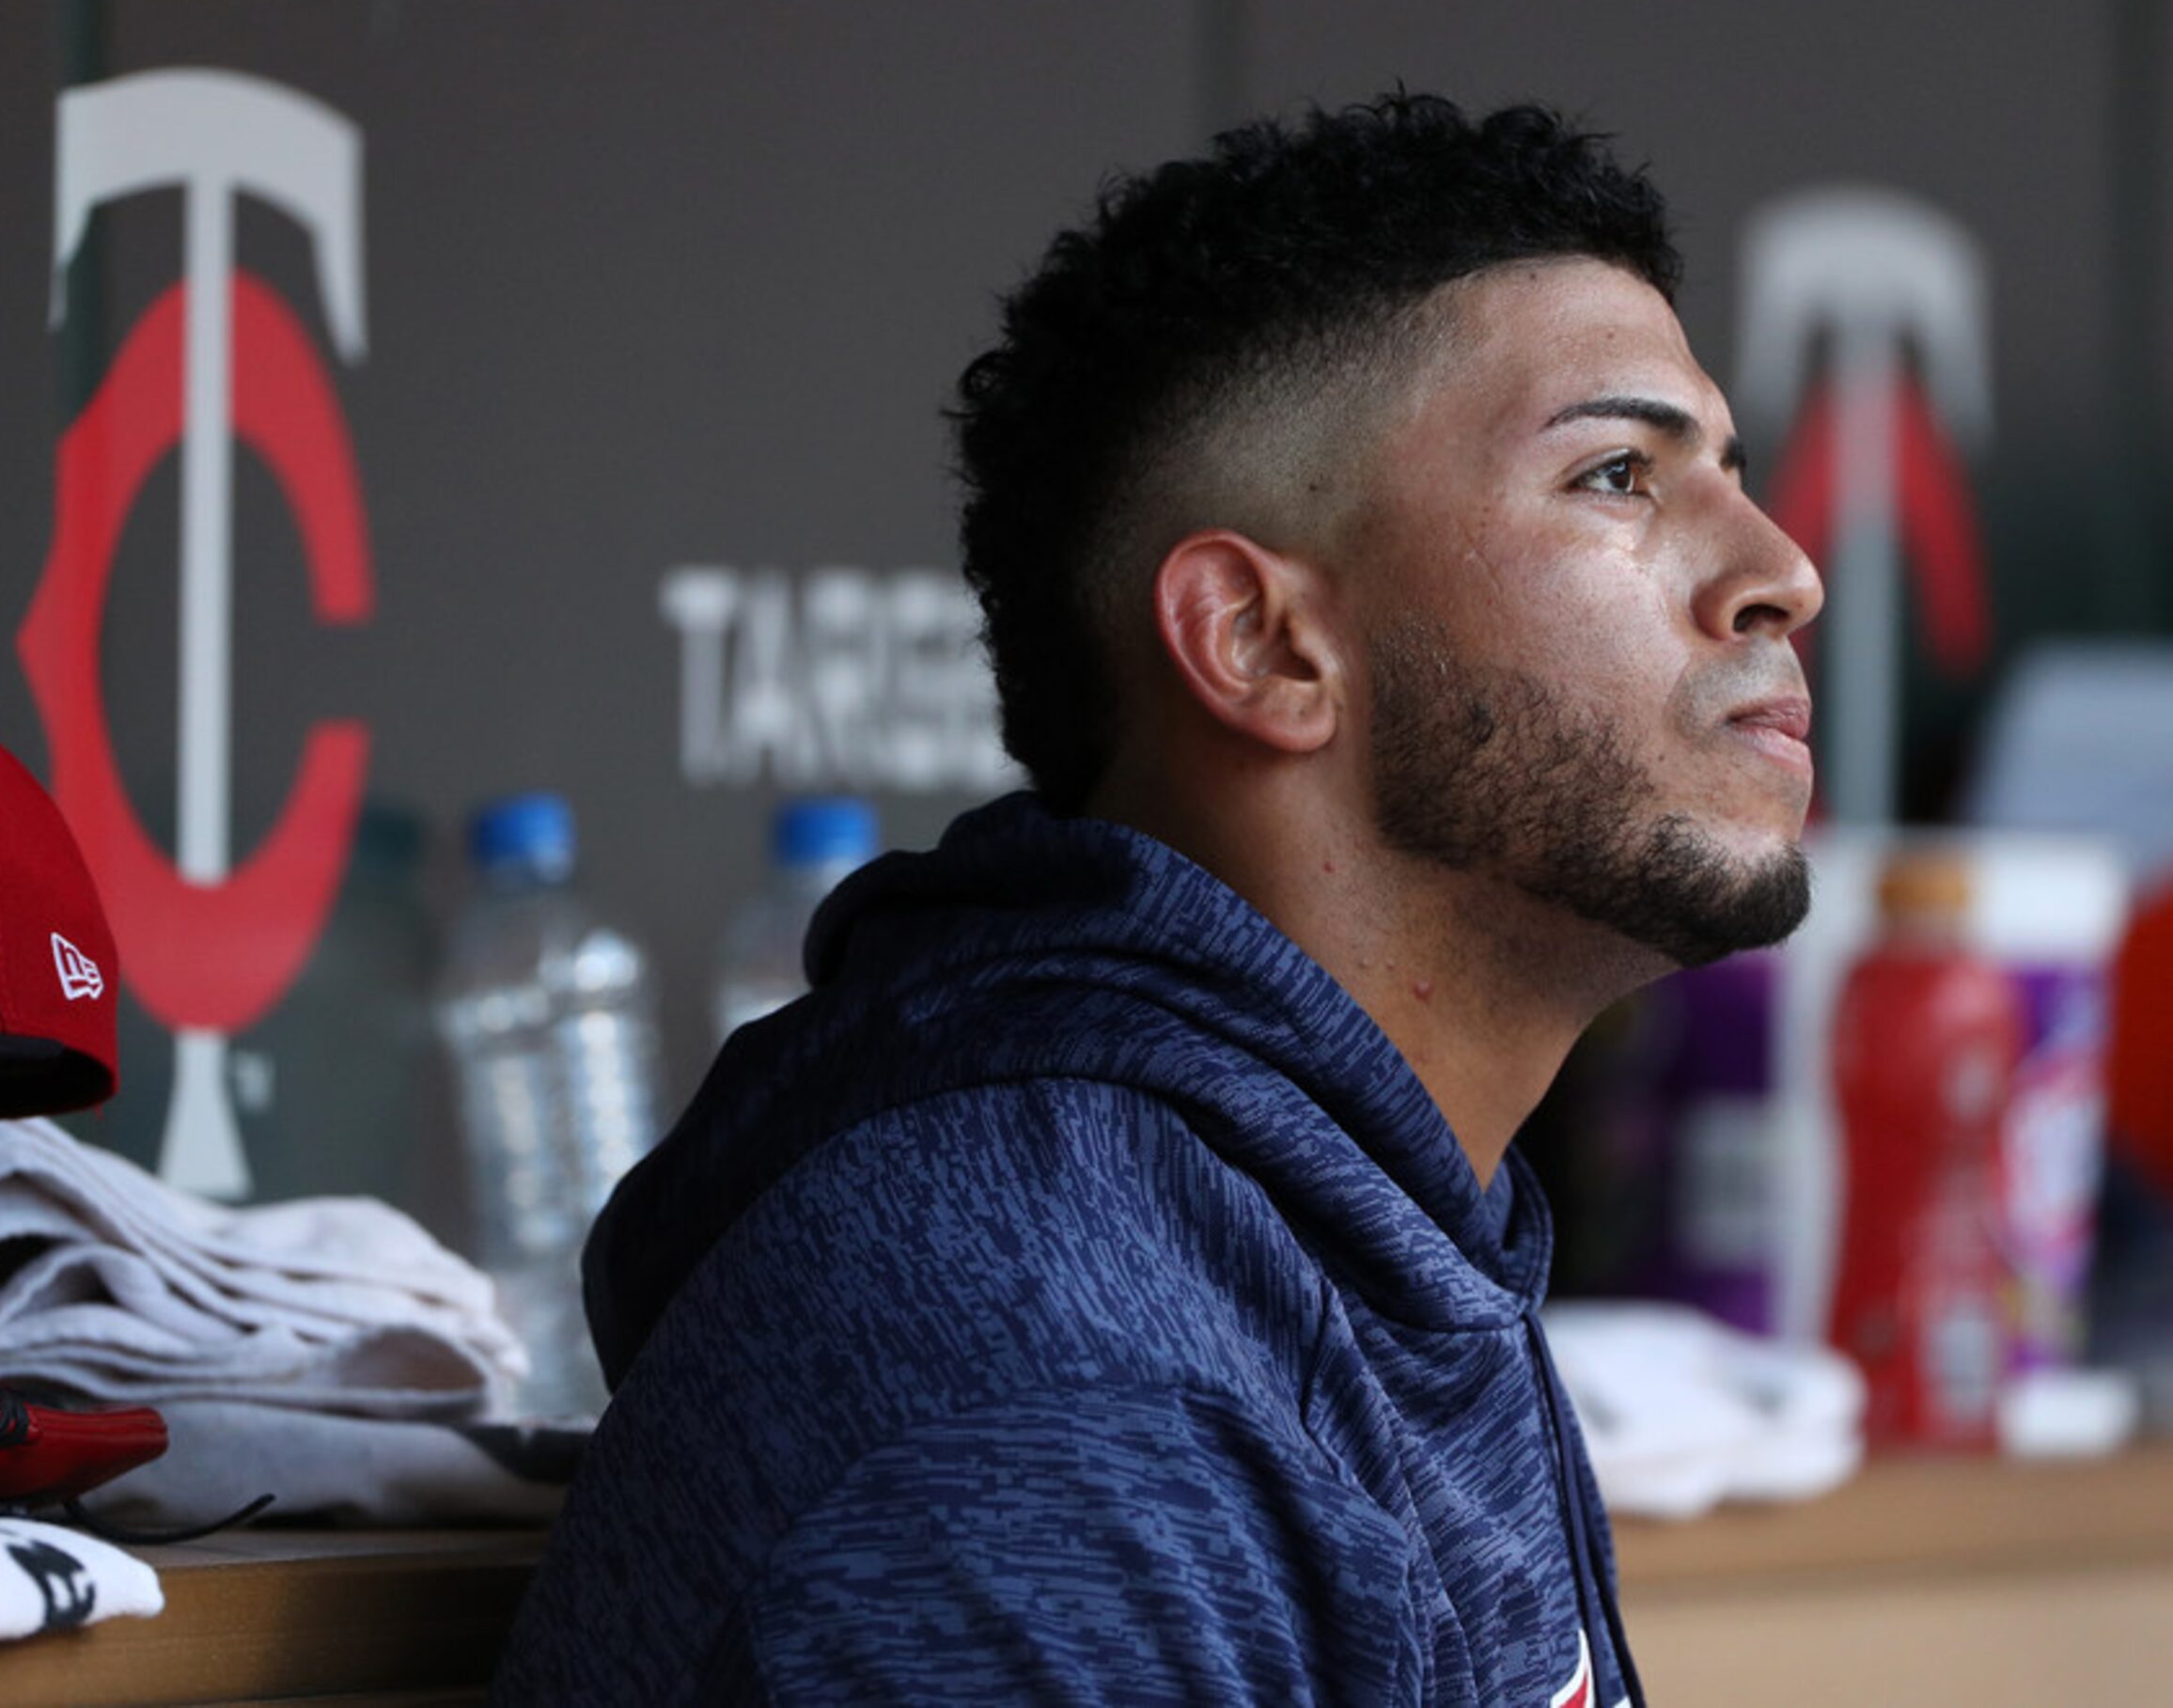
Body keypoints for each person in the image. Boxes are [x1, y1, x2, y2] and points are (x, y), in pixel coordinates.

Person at [494, 92, 1822, 1706]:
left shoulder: (1366, 1229)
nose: (1779, 567)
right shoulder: (1047, 1375)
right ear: (1261, 645)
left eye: (1730, 471)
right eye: (1619, 473)